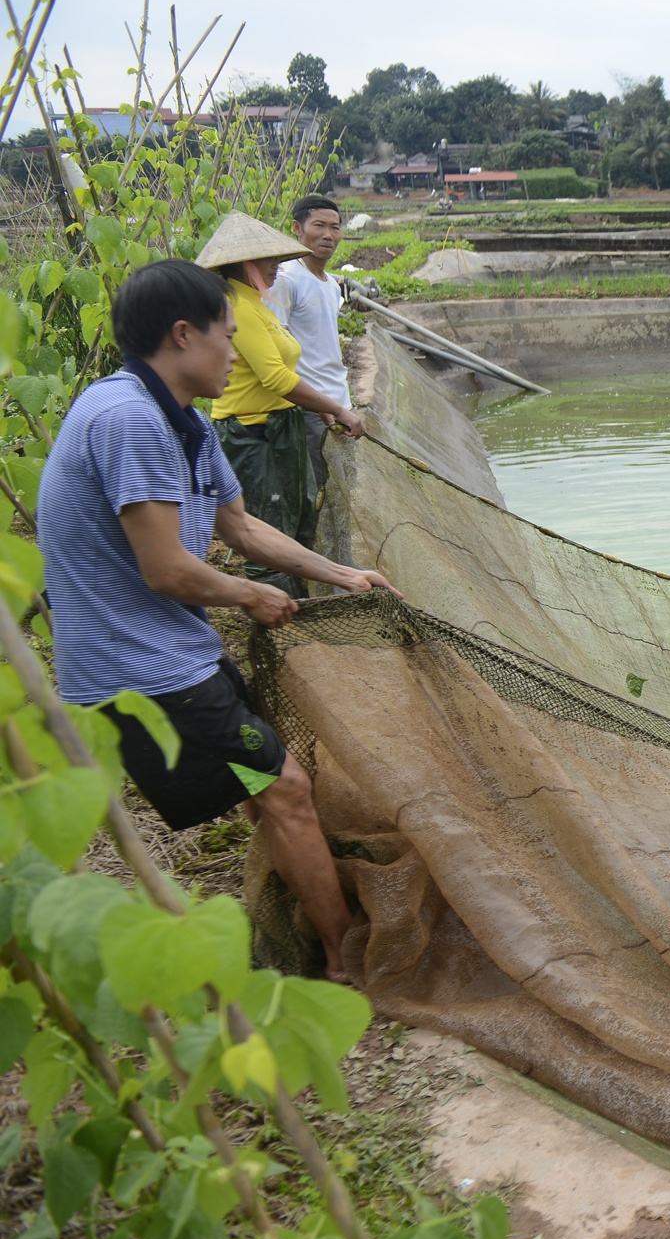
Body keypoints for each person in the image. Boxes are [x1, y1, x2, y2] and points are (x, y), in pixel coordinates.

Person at [38, 258, 402, 982]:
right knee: (285, 788)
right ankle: (342, 959)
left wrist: (342, 576)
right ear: (183, 335)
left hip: (179, 649)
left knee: (266, 786)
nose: (235, 354)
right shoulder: (127, 420)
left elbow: (240, 528)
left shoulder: (187, 425)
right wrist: (251, 597)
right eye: (227, 337)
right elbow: (168, 570)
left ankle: (311, 930)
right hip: (136, 671)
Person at [197, 211, 367, 597]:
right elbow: (274, 378)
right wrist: (338, 408)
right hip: (253, 433)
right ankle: (281, 617)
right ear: (245, 263)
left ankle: (299, 606)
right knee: (271, 528)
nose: (276, 266)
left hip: (282, 426)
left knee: (299, 519)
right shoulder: (237, 305)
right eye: (268, 259)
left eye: (277, 258)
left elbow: (287, 370)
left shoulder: (257, 302)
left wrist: (321, 408)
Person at [267, 194, 351, 495]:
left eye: (335, 228)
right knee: (317, 493)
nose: (328, 235)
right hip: (311, 409)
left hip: (338, 400)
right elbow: (277, 349)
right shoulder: (285, 280)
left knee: (340, 490)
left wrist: (341, 405)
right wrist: (320, 407)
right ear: (297, 228)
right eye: (319, 225)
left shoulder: (330, 285)